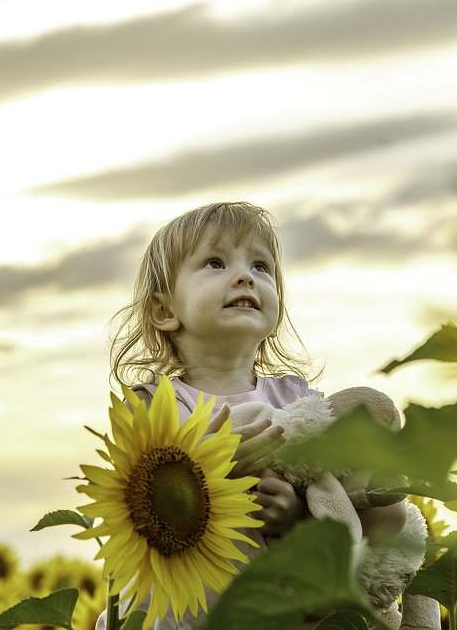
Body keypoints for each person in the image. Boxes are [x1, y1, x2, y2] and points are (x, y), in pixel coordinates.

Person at [100, 201, 322, 629]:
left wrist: (295, 514)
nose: (244, 276)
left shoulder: (297, 399)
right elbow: (132, 504)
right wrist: (209, 474)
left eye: (261, 267)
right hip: (188, 612)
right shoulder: (154, 405)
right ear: (164, 311)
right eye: (215, 263)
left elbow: (333, 492)